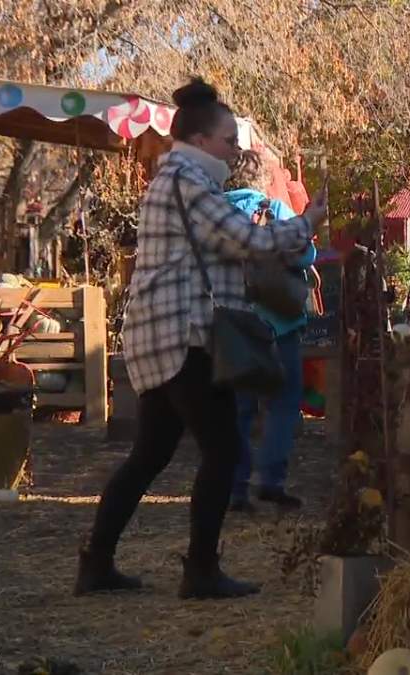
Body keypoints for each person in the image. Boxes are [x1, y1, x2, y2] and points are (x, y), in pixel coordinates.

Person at [76, 78, 328, 600]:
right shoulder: (188, 180)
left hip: (160, 333)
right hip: (182, 334)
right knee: (224, 449)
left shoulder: (174, 178)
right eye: (229, 140)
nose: (235, 149)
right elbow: (248, 239)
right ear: (200, 140)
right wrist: (306, 224)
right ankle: (201, 570)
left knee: (150, 455)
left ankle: (97, 563)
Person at [223, 150, 315, 513]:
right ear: (261, 179)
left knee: (239, 411)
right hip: (278, 324)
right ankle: (272, 480)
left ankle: (236, 488)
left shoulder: (214, 216)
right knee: (283, 403)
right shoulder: (274, 210)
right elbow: (305, 254)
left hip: (233, 324)